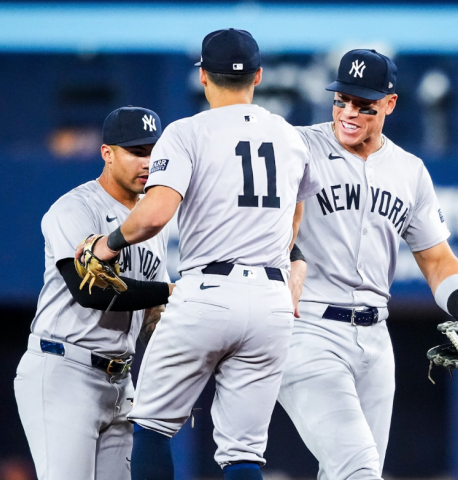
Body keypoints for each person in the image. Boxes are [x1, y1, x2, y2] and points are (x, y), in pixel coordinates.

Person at [79, 28, 320, 480]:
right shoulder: (290, 136)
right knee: (244, 451)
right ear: (258, 76)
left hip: (207, 291)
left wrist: (106, 245)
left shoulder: (187, 132)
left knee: (150, 424)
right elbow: (294, 219)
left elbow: (155, 214)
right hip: (271, 301)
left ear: (204, 77)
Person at [278, 49, 458, 480]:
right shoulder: (298, 146)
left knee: (345, 474)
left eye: (363, 105)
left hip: (375, 340)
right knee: (360, 470)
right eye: (341, 100)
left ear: (389, 104)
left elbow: (438, 259)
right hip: (307, 330)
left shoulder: (409, 170)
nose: (348, 112)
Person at [14, 106, 174, 480]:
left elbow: (152, 313)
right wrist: (171, 291)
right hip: (65, 369)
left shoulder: (153, 219)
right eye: (137, 152)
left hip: (120, 381)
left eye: (154, 152)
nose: (148, 162)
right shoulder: (75, 209)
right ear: (108, 153)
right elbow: (91, 293)